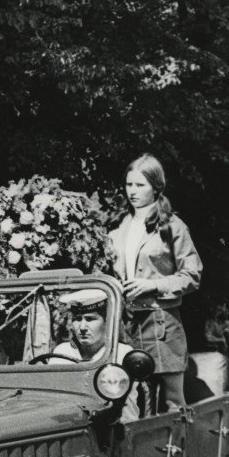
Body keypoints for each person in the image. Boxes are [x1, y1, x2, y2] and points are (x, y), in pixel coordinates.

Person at [108, 153, 202, 412]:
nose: (132, 191)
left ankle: (180, 452)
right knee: (126, 401)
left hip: (161, 322)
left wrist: (154, 285)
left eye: (140, 185)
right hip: (125, 324)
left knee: (172, 403)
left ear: (156, 187)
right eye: (129, 184)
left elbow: (193, 275)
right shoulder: (120, 226)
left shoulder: (172, 225)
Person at [48, 290, 140, 422]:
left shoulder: (121, 353)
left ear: (106, 322)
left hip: (116, 431)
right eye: (77, 319)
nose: (82, 327)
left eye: (90, 319)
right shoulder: (62, 352)